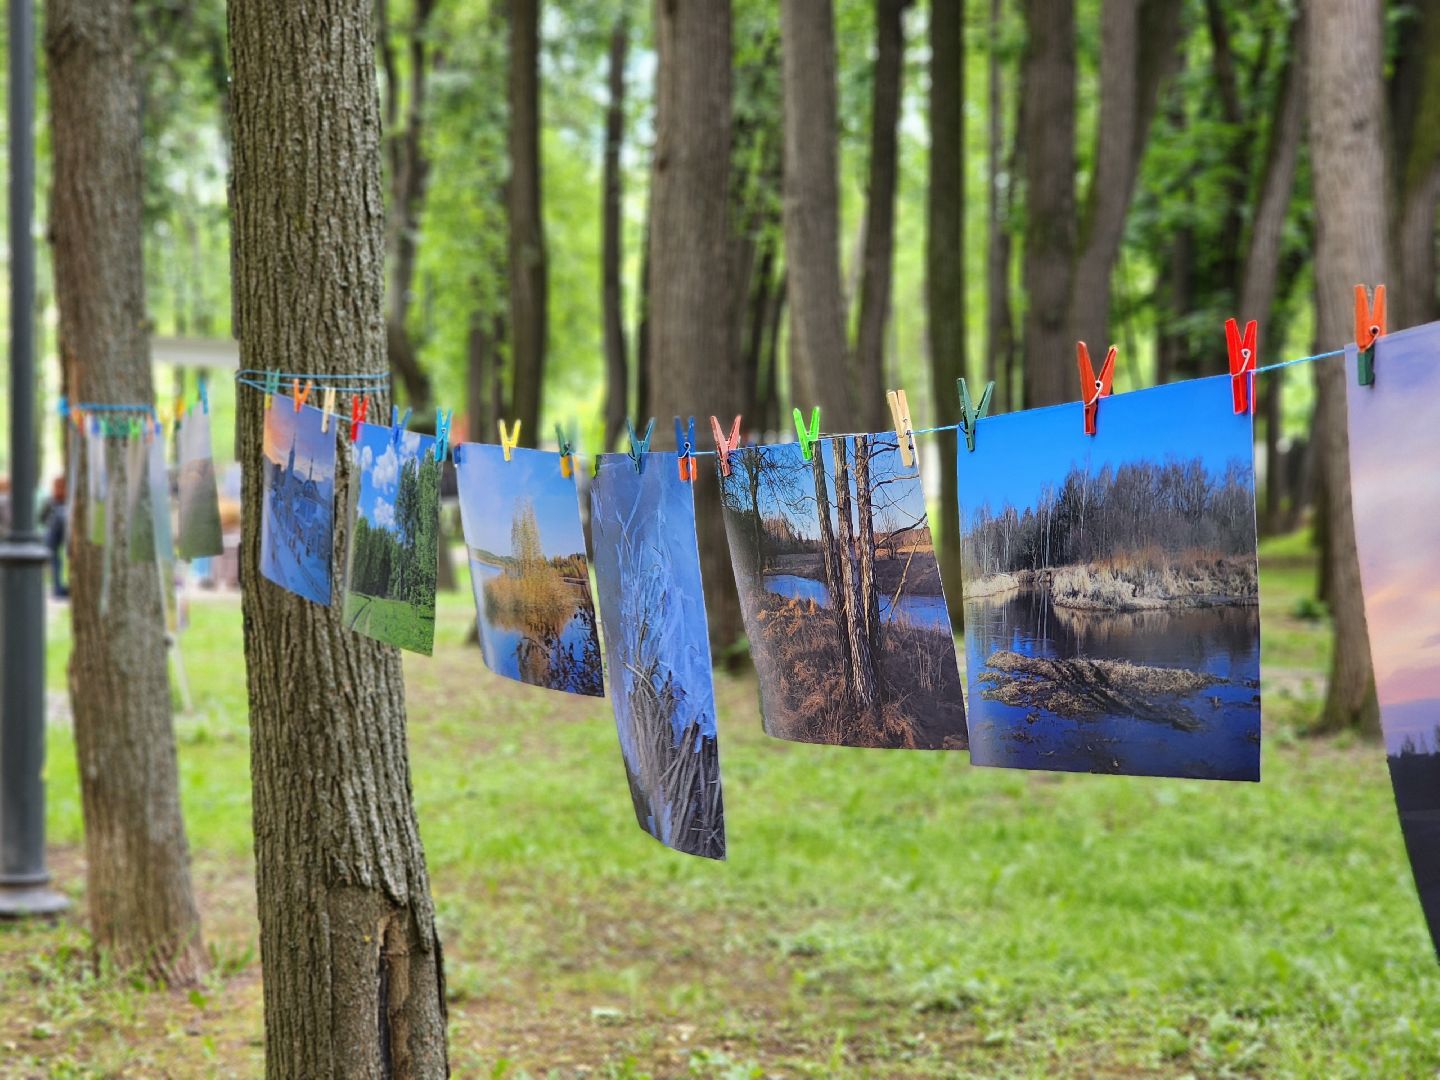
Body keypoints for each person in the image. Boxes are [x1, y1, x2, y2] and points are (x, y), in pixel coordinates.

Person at [40, 475, 68, 599]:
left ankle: (57, 588)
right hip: (59, 537)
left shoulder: (51, 501)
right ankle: (57, 588)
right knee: (57, 562)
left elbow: (41, 518)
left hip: (51, 536)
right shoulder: (67, 501)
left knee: (56, 562)